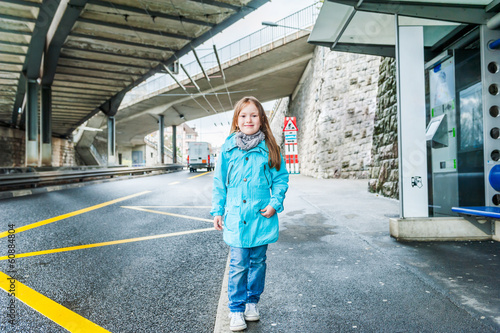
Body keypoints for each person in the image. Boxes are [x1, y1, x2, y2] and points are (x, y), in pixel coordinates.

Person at [211, 96, 289, 331]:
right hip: (236, 217)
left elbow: (281, 179)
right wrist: (217, 210)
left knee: (258, 262)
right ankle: (236, 309)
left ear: (261, 119)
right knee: (238, 264)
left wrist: (275, 203)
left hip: (261, 216)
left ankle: (252, 303)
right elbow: (219, 183)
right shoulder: (228, 148)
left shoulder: (271, 148)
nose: (249, 119)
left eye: (254, 115)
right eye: (243, 115)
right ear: (236, 120)